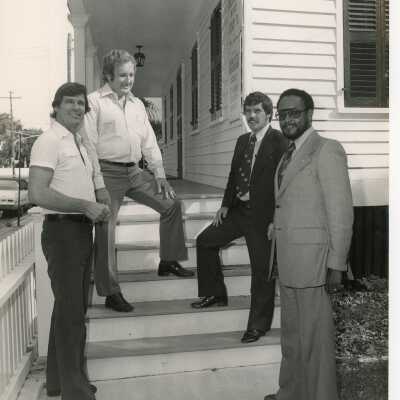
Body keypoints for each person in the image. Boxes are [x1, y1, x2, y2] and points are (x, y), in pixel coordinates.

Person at [81, 49, 193, 313]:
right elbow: (89, 145)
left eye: (131, 74)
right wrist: (98, 184)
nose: (128, 80)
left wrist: (160, 174)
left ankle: (168, 261)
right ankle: (110, 292)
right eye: (122, 75)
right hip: (107, 173)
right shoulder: (94, 102)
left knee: (172, 204)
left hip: (134, 171)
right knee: (106, 229)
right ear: (109, 75)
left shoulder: (136, 105)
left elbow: (149, 143)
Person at [264, 89, 353, 400]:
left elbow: (340, 213)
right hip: (288, 263)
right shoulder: (287, 154)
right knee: (292, 339)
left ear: (309, 113)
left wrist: (336, 265)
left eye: (294, 112)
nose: (287, 118)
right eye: (282, 113)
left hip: (316, 267)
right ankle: (290, 393)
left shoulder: (326, 150)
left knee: (317, 344)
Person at [29, 82, 111, 400]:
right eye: (70, 102)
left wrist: (96, 199)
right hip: (63, 233)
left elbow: (88, 181)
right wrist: (84, 205)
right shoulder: (49, 141)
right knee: (72, 312)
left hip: (79, 231)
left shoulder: (76, 141)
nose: (77, 108)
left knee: (68, 309)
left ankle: (60, 382)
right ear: (57, 106)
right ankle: (75, 392)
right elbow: (38, 193)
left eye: (81, 103)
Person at [191, 92, 287, 343]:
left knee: (262, 269)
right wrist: (225, 206)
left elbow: (286, 183)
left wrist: (277, 219)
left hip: (263, 216)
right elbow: (235, 176)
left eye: (257, 111)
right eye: (248, 111)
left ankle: (258, 325)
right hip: (239, 211)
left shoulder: (280, 141)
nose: (251, 116)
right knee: (205, 241)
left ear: (268, 113)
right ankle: (215, 293)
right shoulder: (242, 140)